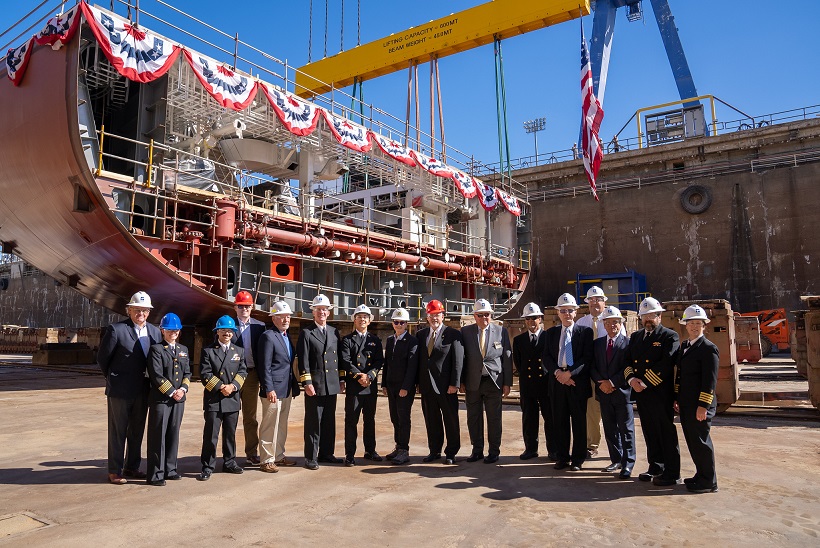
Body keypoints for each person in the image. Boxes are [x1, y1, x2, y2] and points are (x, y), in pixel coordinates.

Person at [97, 291, 162, 485]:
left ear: (149, 312)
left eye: (144, 310)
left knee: (137, 430)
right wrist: (114, 379)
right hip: (120, 390)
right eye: (136, 310)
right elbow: (103, 359)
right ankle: (115, 470)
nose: (140, 313)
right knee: (118, 431)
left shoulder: (155, 332)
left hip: (143, 390)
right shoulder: (116, 330)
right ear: (129, 310)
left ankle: (132, 466)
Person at [624, 297, 681, 486]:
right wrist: (632, 380)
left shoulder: (669, 336)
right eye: (645, 316)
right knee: (649, 431)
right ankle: (656, 466)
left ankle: (672, 472)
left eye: (652, 316)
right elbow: (627, 362)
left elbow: (666, 364)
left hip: (660, 392)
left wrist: (645, 382)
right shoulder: (636, 337)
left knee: (665, 432)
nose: (648, 319)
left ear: (659, 316)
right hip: (641, 393)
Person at [543, 293, 594, 471]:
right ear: (558, 313)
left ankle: (578, 460)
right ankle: (562, 457)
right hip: (557, 383)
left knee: (579, 423)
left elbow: (587, 358)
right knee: (560, 422)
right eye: (563, 311)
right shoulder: (550, 333)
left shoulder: (585, 332)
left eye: (570, 310)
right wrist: (558, 373)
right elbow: (546, 358)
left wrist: (570, 374)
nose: (566, 314)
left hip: (577, 383)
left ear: (576, 312)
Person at [674, 305, 720, 493]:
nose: (694, 327)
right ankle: (701, 474)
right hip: (686, 404)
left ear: (704, 326)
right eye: (691, 323)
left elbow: (710, 381)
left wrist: (703, 406)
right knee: (693, 442)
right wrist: (677, 397)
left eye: (698, 323)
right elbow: (680, 375)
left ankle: (709, 482)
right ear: (685, 325)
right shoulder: (685, 346)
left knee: (701, 442)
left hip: (699, 406)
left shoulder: (709, 349)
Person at [576, 286, 625, 459]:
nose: (595, 302)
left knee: (616, 414)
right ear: (587, 303)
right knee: (592, 412)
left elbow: (622, 349)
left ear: (605, 302)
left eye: (598, 299)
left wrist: (612, 381)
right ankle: (592, 445)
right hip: (591, 375)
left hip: (613, 378)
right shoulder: (581, 323)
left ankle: (620, 449)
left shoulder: (613, 320)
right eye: (592, 300)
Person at [460, 299, 512, 464]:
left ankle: (494, 451)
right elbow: (461, 359)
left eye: (487, 315)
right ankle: (477, 451)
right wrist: (461, 381)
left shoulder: (501, 331)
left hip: (493, 381)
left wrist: (507, 383)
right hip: (473, 382)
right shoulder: (465, 332)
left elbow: (507, 358)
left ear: (492, 315)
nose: (484, 318)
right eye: (480, 315)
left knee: (494, 418)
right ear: (474, 316)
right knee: (473, 417)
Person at [296, 293, 344, 470]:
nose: (321, 313)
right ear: (313, 312)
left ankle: (326, 453)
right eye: (318, 310)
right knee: (313, 422)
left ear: (328, 312)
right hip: (315, 384)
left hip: (331, 383)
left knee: (329, 421)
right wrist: (306, 383)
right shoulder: (307, 333)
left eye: (324, 309)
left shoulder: (333, 332)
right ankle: (311, 456)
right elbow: (304, 360)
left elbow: (339, 358)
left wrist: (341, 379)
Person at [198, 315, 247, 481]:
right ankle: (207, 466)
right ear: (217, 331)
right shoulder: (208, 351)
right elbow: (205, 373)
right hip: (214, 399)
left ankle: (229, 462)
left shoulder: (239, 351)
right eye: (223, 330)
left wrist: (232, 387)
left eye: (230, 330)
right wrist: (221, 387)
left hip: (232, 398)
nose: (226, 333)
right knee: (211, 434)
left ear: (233, 333)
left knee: (230, 434)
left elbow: (243, 371)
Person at [145, 313, 191, 486]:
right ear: (162, 330)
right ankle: (156, 474)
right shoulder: (156, 349)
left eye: (176, 330)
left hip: (178, 399)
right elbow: (156, 375)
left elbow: (187, 373)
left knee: (173, 434)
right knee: (158, 436)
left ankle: (170, 469)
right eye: (170, 330)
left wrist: (183, 389)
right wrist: (172, 392)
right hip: (161, 400)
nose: (173, 332)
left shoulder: (183, 350)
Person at [416, 300, 463, 465]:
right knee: (432, 420)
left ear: (443, 316)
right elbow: (419, 361)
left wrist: (455, 383)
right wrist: (418, 383)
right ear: (427, 317)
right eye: (431, 315)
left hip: (446, 386)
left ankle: (451, 452)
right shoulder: (421, 335)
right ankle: (434, 451)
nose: (435, 318)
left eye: (438, 315)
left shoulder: (453, 334)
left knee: (450, 419)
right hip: (427, 386)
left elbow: (458, 361)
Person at [590, 306, 635, 479]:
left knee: (626, 430)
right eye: (608, 323)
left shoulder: (628, 344)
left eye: (615, 322)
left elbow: (629, 367)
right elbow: (592, 366)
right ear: (604, 325)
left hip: (622, 393)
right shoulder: (597, 344)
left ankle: (628, 463)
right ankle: (615, 460)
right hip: (604, 393)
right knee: (610, 429)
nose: (612, 326)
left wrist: (613, 382)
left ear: (620, 323)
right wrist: (601, 383)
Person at [256, 301, 300, 473]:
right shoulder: (268, 336)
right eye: (281, 317)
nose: (285, 320)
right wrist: (269, 388)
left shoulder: (286, 336)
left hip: (286, 388)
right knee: (269, 425)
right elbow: (264, 365)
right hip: (273, 390)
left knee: (282, 424)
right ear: (273, 318)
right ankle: (266, 459)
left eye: (287, 316)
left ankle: (279, 455)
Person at [340, 304, 384, 466]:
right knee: (351, 421)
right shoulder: (347, 340)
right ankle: (350, 454)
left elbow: (379, 361)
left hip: (369, 386)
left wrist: (370, 376)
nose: (362, 319)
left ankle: (370, 450)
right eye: (359, 317)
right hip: (354, 386)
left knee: (370, 420)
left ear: (369, 320)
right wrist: (359, 376)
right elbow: (345, 361)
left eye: (365, 317)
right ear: (354, 320)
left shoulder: (375, 340)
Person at [513, 302, 557, 461]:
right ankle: (531, 449)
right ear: (525, 321)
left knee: (550, 419)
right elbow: (518, 363)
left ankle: (553, 450)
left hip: (546, 384)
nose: (532, 322)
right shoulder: (519, 340)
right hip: (528, 385)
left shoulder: (549, 337)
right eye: (528, 319)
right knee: (529, 419)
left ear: (540, 319)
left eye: (535, 318)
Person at [231, 290, 266, 466]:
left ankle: (251, 452)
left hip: (252, 376)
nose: (244, 309)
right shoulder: (229, 326)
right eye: (241, 306)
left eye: (247, 306)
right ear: (235, 307)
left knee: (250, 417)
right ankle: (229, 454)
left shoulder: (260, 327)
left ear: (252, 307)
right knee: (230, 416)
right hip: (232, 377)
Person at [381, 308, 419, 465]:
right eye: (396, 322)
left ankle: (404, 450)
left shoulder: (412, 342)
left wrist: (406, 387)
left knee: (403, 418)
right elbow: (387, 364)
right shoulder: (390, 340)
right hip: (391, 386)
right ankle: (398, 446)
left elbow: (412, 366)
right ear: (392, 323)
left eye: (402, 322)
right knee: (394, 417)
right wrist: (383, 384)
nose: (399, 325)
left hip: (404, 388)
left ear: (406, 324)